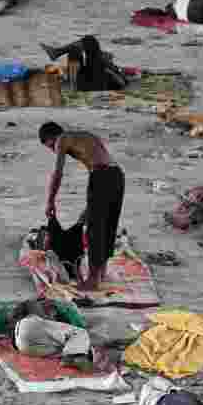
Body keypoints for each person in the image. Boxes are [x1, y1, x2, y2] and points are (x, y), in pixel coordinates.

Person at [39, 122, 125, 291]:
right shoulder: (86, 136)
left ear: (51, 138)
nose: (53, 150)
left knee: (95, 229)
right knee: (108, 224)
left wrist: (50, 201)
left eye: (50, 146)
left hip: (101, 176)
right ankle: (101, 272)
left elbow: (57, 173)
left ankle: (92, 281)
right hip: (117, 176)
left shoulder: (62, 139)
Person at [0, 298, 93, 362]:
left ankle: (73, 356)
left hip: (23, 344)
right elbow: (81, 333)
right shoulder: (63, 309)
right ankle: (74, 356)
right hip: (27, 337)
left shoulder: (63, 311)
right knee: (79, 335)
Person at [39, 36, 128, 91]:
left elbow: (122, 83)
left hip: (96, 84)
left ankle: (57, 52)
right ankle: (57, 53)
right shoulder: (105, 64)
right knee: (75, 50)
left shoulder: (107, 67)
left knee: (90, 41)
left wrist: (108, 68)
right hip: (84, 80)